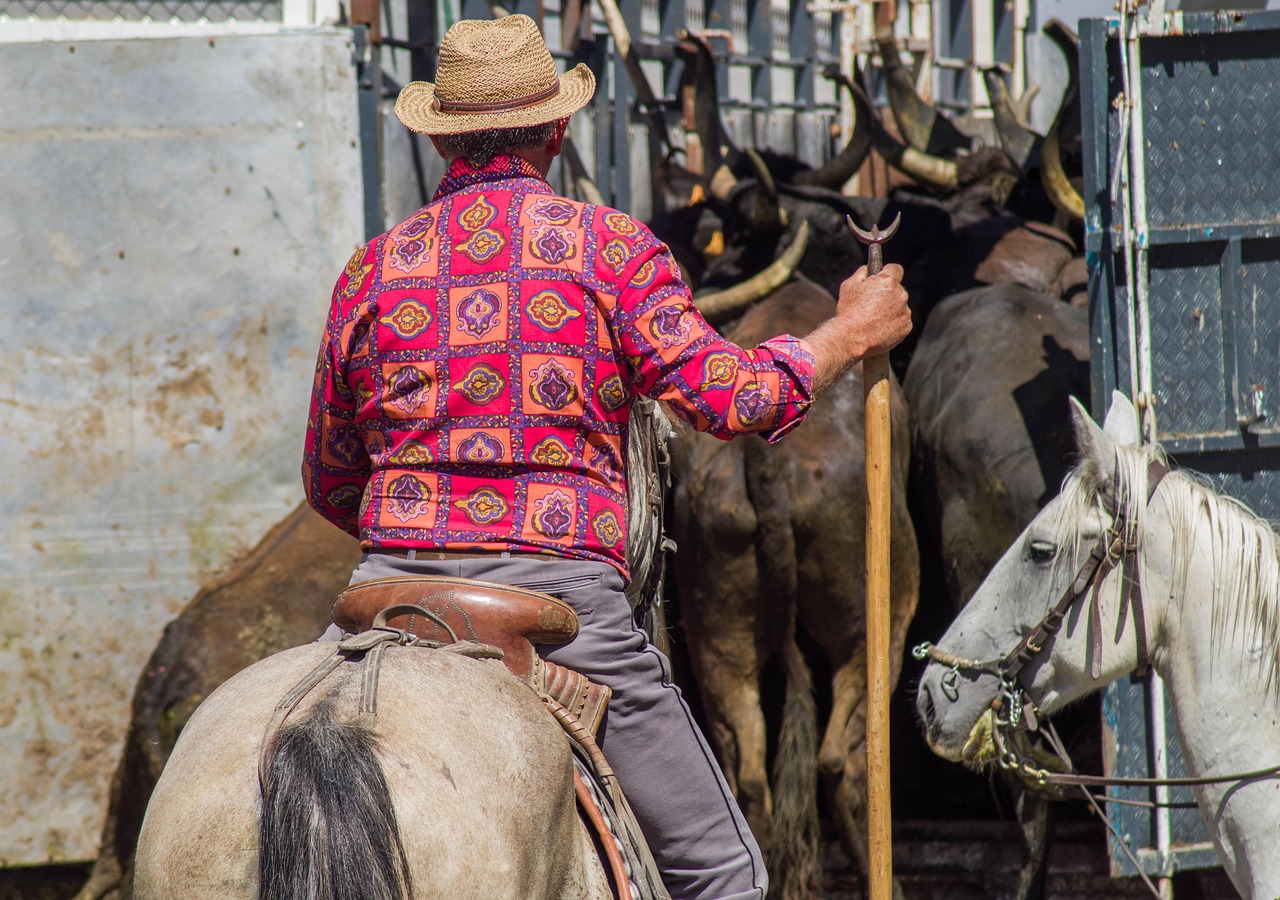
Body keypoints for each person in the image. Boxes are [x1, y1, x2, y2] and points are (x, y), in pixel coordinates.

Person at [302, 14, 910, 900]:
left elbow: (329, 475)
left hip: (384, 594)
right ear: (558, 128)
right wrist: (846, 334)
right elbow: (733, 398)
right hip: (561, 608)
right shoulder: (610, 251)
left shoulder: (371, 270)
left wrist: (421, 533)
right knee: (724, 872)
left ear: (436, 137)